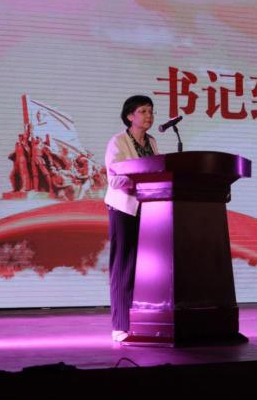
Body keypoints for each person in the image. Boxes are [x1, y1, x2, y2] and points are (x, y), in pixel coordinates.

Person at [104, 95, 158, 343]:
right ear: (130, 116)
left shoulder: (152, 142)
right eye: (143, 111)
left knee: (143, 268)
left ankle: (140, 321)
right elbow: (114, 179)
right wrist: (141, 180)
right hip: (124, 209)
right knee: (122, 267)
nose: (149, 116)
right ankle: (120, 325)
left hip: (148, 210)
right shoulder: (118, 141)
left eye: (151, 111)